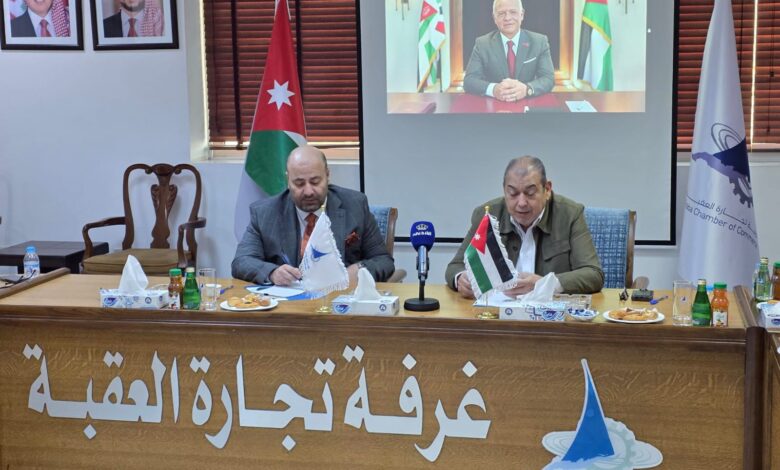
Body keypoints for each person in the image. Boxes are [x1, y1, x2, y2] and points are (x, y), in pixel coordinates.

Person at [232, 145, 396, 286]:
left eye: (315, 182)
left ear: (327, 175)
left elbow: (383, 260)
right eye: (299, 183)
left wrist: (360, 271)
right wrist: (272, 273)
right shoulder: (265, 212)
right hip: (288, 306)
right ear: (288, 180)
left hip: (340, 300)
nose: (308, 191)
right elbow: (241, 261)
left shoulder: (355, 205)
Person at [445, 156, 603, 298]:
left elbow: (593, 274)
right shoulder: (487, 214)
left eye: (530, 193)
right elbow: (455, 266)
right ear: (504, 190)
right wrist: (461, 278)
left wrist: (545, 284)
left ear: (547, 190)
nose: (521, 203)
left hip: (548, 314)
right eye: (513, 193)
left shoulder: (570, 214)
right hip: (497, 313)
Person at [463, 0, 555, 102]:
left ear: (522, 15)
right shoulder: (482, 44)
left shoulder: (539, 42)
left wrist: (527, 89)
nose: (507, 18)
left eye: (513, 12)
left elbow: (548, 78)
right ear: (494, 18)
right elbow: (469, 81)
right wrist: (493, 89)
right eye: (501, 13)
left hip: (528, 104)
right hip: (495, 105)